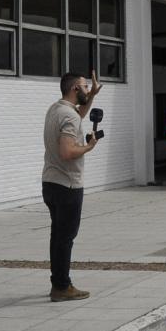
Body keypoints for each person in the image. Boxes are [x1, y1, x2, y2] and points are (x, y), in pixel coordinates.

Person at [42, 70, 102, 302]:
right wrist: (88, 147)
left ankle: (58, 282)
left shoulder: (56, 109)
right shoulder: (69, 117)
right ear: (75, 89)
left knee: (58, 236)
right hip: (68, 186)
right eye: (86, 87)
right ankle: (61, 286)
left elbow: (78, 114)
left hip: (51, 183)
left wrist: (93, 96)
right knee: (65, 238)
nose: (88, 89)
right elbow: (68, 152)